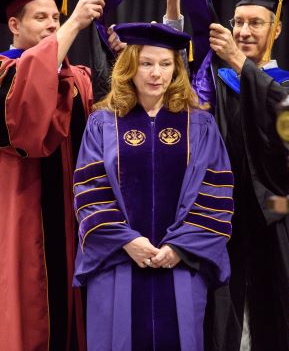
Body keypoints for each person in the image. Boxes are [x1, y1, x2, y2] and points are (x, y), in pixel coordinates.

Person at [162, 0, 289, 351]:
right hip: (221, 219)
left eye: (256, 23)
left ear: (276, 29)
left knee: (275, 316)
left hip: (273, 220)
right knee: (221, 318)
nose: (244, 31)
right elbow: (175, 73)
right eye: (238, 22)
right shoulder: (217, 79)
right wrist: (172, 4)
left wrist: (238, 62)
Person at [0, 0, 106, 351]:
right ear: (14, 25)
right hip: (22, 217)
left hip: (78, 225)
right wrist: (75, 25)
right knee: (27, 313)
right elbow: (23, 119)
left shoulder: (79, 80)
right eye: (41, 17)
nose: (53, 25)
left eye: (57, 18)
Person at [73, 22, 234, 351]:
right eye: (146, 63)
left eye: (165, 64)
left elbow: (215, 194)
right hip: (117, 262)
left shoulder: (199, 123)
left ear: (176, 70)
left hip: (181, 264)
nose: (156, 73)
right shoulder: (103, 123)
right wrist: (127, 241)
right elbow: (90, 191)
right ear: (130, 66)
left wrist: (180, 247)